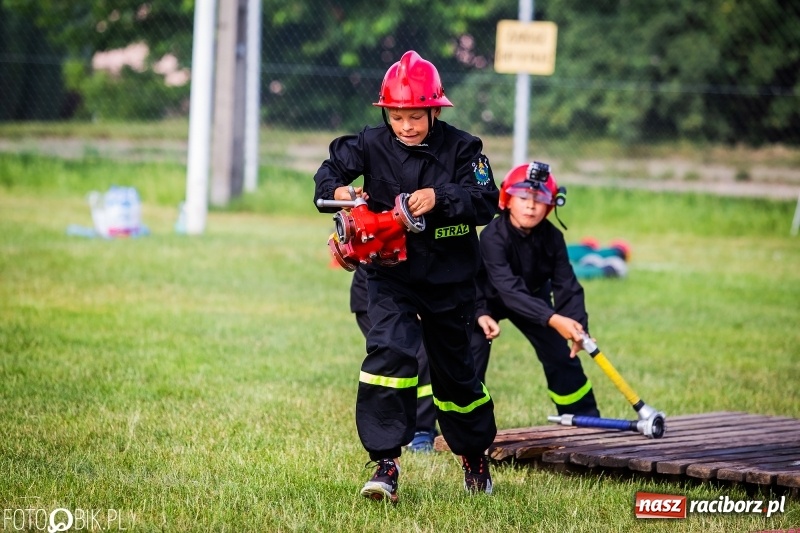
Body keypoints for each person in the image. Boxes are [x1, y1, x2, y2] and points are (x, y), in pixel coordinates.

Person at [314, 50, 499, 502]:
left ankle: (474, 455)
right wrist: (334, 190)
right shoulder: (370, 142)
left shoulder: (464, 148)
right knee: (390, 354)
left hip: (450, 280)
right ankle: (386, 463)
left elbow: (487, 199)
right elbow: (332, 168)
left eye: (415, 116)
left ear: (434, 110)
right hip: (389, 274)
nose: (406, 126)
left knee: (456, 377)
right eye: (397, 116)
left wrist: (441, 197)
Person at [475, 162, 601, 419]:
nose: (531, 206)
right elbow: (508, 290)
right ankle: (457, 428)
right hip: (483, 301)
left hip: (532, 299)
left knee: (562, 355)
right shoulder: (492, 236)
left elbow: (566, 284)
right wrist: (555, 319)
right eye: (522, 197)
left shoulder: (553, 237)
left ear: (550, 206)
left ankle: (584, 418)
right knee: (469, 359)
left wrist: (577, 326)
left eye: (539, 199)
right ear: (507, 200)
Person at [349, 265, 500, 453]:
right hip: (382, 297)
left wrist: (479, 311)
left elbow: (464, 269)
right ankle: (419, 430)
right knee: (415, 353)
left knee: (458, 348)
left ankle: (457, 422)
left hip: (432, 294)